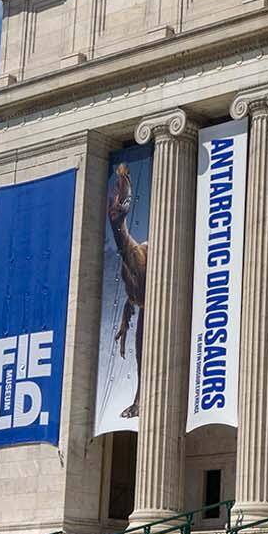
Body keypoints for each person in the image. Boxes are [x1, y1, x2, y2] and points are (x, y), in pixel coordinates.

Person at [107, 163, 149, 419]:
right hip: (144, 308)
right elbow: (131, 298)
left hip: (159, 309)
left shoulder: (143, 257)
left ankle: (140, 399)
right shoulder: (127, 266)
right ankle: (138, 398)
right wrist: (124, 325)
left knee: (145, 353)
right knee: (140, 355)